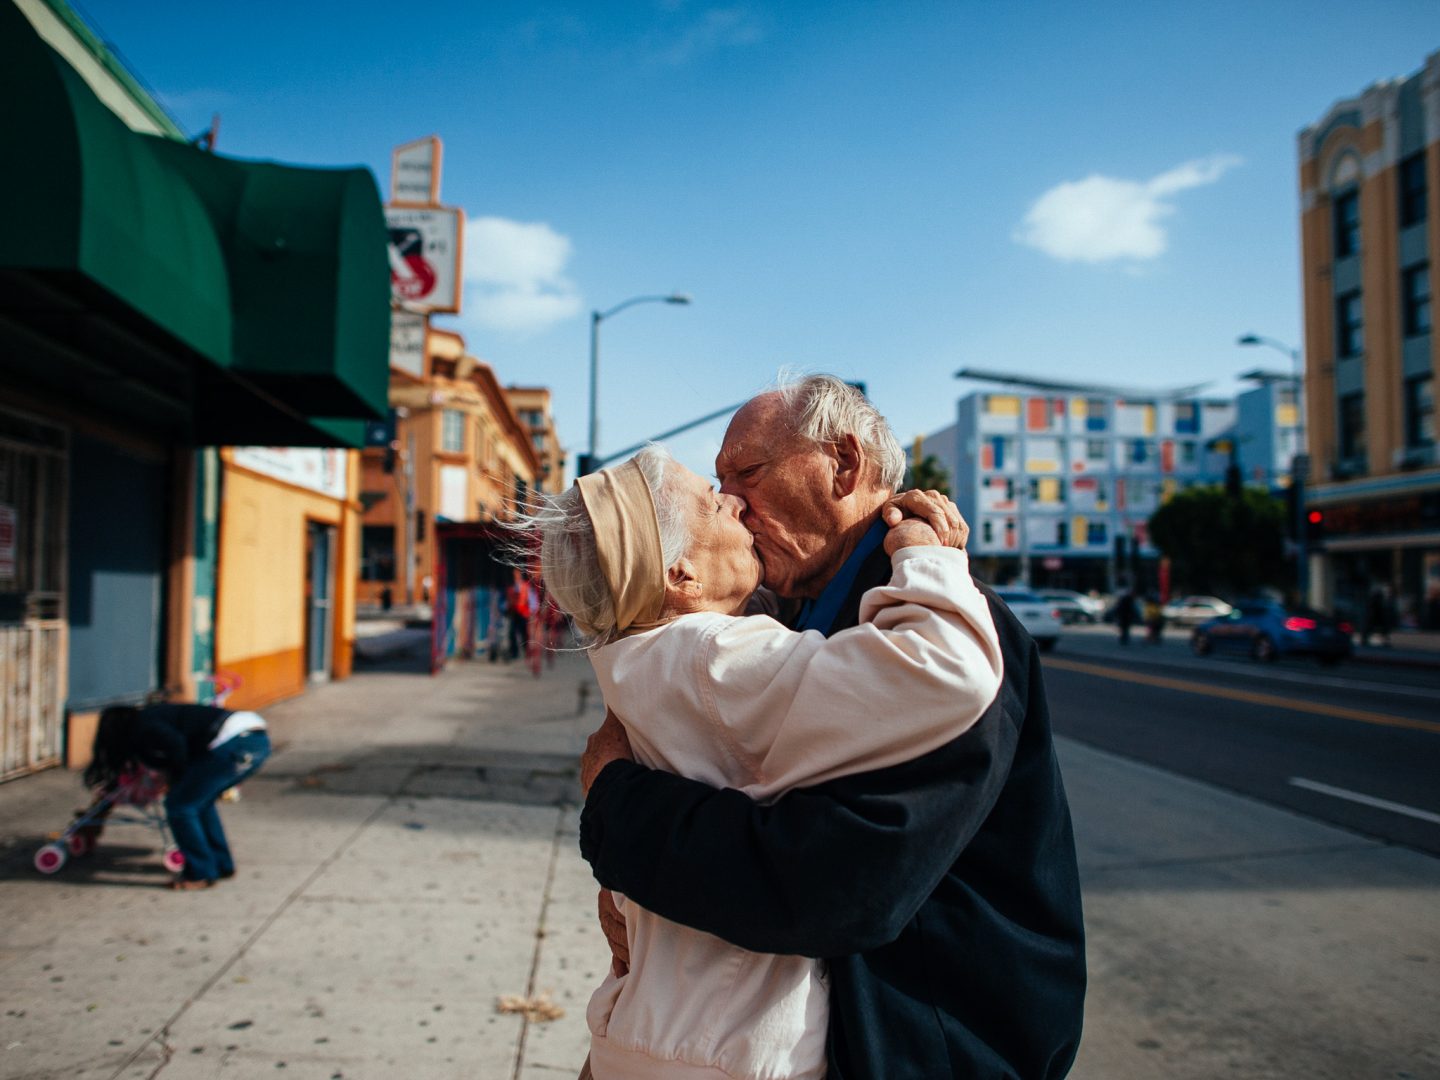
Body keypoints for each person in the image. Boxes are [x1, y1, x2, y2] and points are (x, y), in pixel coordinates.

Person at [580, 375, 1086, 1079]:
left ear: (844, 465)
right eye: (718, 484)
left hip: (934, 1046)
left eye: (746, 473)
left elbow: (833, 886)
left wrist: (613, 803)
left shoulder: (948, 630)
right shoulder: (788, 622)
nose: (732, 501)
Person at [525, 445, 999, 1078]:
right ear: (681, 575)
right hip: (729, 1051)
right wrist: (925, 553)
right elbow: (945, 669)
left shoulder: (640, 662)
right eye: (714, 497)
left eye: (745, 475)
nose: (736, 502)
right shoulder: (712, 655)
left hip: (654, 1031)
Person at [83, 701, 270, 890]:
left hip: (234, 741)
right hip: (256, 738)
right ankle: (221, 865)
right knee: (199, 803)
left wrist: (176, 777)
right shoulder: (154, 716)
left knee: (180, 807)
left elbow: (176, 745)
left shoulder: (144, 727)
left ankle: (200, 873)